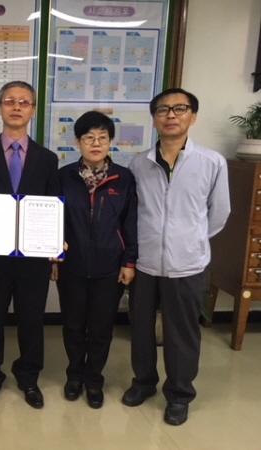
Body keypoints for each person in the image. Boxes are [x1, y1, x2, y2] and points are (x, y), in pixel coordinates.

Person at [122, 88, 230, 425]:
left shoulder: (211, 162)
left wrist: (191, 240)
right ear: (154, 119)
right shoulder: (139, 164)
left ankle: (180, 395)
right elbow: (132, 213)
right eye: (163, 109)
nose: (171, 115)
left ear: (192, 117)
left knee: (182, 334)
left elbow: (219, 213)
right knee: (141, 329)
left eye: (179, 109)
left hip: (187, 264)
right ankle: (144, 383)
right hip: (145, 262)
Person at [0, 81, 60, 409]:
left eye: (24, 102)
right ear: (0, 107)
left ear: (33, 110)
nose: (16, 107)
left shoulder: (48, 159)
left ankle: (29, 377)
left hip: (33, 258)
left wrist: (54, 247)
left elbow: (53, 206)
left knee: (32, 321)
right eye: (9, 101)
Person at [53, 111, 137, 409]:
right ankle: (74, 375)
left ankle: (94, 380)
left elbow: (131, 222)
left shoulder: (124, 178)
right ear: (78, 142)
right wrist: (54, 258)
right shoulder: (64, 177)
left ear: (111, 141)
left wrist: (129, 261)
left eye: (102, 137)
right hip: (71, 265)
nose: (96, 143)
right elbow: (54, 221)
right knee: (73, 326)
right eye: (89, 138)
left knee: (101, 329)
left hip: (109, 267)